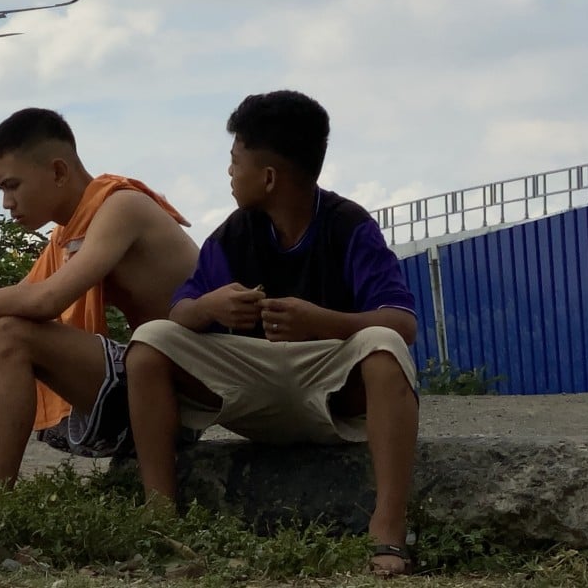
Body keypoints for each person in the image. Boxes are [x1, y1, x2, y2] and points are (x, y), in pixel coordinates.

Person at [125, 90, 419, 578]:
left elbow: (403, 321)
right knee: (150, 341)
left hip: (330, 383)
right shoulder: (235, 233)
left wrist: (322, 322)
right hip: (251, 385)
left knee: (384, 344)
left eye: (235, 160)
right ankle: (160, 515)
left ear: (268, 177)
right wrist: (207, 307)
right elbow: (180, 312)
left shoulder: (348, 225)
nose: (229, 173)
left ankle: (387, 526)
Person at [0, 107, 199, 500]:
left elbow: (45, 301)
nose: (7, 202)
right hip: (142, 379)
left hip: (175, 391)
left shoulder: (121, 208)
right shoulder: (68, 233)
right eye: (1, 190)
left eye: (13, 185)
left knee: (13, 335)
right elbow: (18, 300)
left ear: (59, 172)